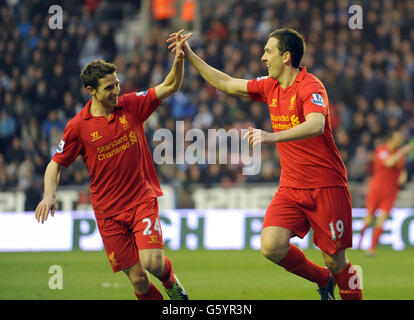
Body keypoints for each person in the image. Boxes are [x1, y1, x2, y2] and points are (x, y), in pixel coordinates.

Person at [168, 28, 362, 300]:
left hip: (326, 186)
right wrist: (191, 56)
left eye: (268, 51)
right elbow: (226, 83)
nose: (263, 57)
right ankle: (321, 278)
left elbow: (316, 124)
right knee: (271, 246)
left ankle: (335, 278)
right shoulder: (269, 86)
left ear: (286, 56)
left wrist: (271, 137)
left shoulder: (311, 86)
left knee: (336, 261)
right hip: (292, 187)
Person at [35, 30, 192, 300]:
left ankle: (172, 284)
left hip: (141, 199)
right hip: (108, 213)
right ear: (91, 91)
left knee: (152, 263)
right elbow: (55, 164)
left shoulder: (131, 106)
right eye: (109, 88)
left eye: (117, 84)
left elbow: (170, 86)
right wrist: (49, 195)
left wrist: (178, 60)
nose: (117, 91)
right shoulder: (77, 127)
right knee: (139, 281)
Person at [358, 131, 413, 256]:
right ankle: (359, 242)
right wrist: (404, 151)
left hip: (390, 192)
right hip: (376, 190)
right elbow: (389, 162)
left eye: (400, 139)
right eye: (397, 138)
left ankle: (371, 249)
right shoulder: (382, 150)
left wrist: (403, 177)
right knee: (369, 219)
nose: (399, 141)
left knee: (381, 220)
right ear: (390, 139)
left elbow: (401, 171)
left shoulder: (399, 155)